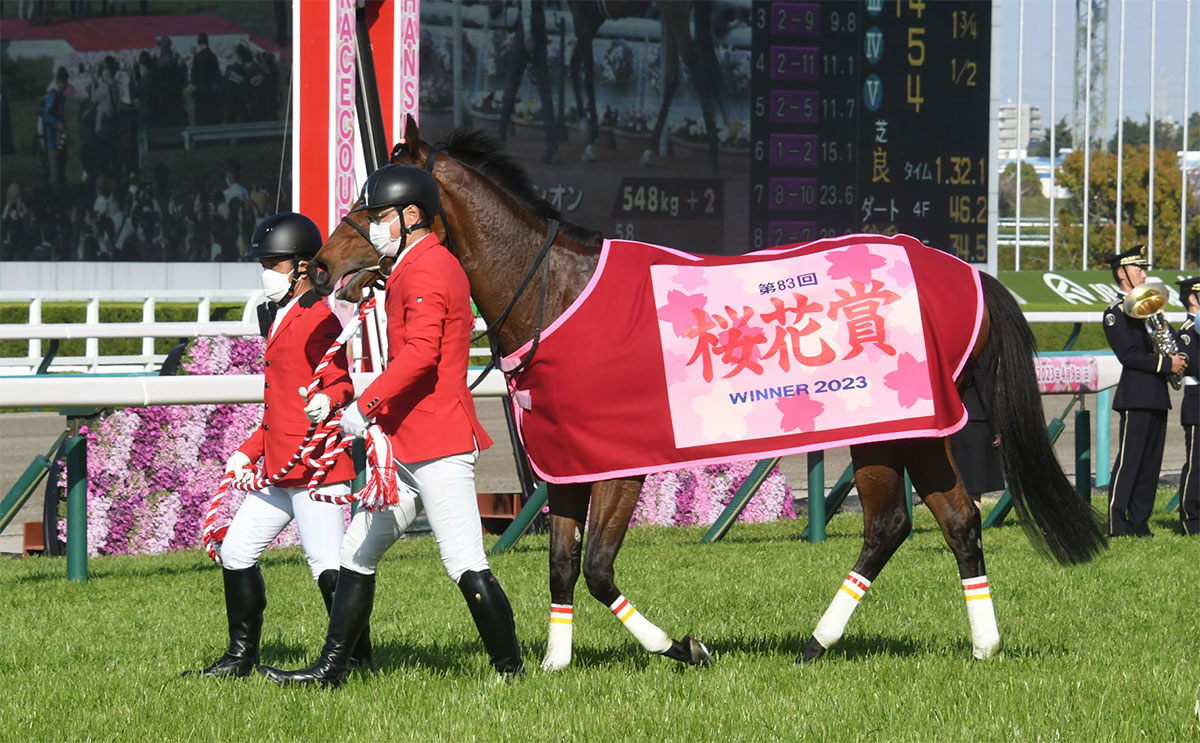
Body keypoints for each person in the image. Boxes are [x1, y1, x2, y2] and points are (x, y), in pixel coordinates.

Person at [258, 164, 525, 687]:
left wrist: (364, 405)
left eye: (380, 217)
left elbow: (422, 355)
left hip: (438, 441)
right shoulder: (411, 264)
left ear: (410, 216)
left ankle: (510, 671)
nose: (375, 226)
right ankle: (334, 668)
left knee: (465, 562)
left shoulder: (428, 268)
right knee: (356, 550)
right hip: (406, 445)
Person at [186, 212, 369, 678]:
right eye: (264, 262)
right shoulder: (276, 314)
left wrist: (327, 399)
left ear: (304, 266)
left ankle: (353, 661)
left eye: (275, 262)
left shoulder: (321, 318)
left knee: (328, 567)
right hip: (278, 464)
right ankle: (240, 656)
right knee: (236, 552)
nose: (266, 271)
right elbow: (278, 403)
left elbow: (340, 382)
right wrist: (249, 450)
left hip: (314, 468)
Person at [1101, 244, 1188, 537]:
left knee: (1151, 463)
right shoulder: (1116, 312)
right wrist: (1167, 363)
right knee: (1130, 460)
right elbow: (1129, 355)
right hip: (1136, 393)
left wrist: (1178, 357)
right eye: (1138, 268)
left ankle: (1140, 522)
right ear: (1122, 273)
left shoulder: (1152, 309)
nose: (1144, 273)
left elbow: (1169, 340)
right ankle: (1116, 522)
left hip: (1156, 394)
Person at [949, 346, 1004, 511]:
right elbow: (986, 389)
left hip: (952, 420)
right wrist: (997, 427)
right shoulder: (983, 352)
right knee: (973, 490)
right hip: (976, 421)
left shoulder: (953, 350)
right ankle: (974, 530)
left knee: (959, 487)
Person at [1176, 276, 1199, 535]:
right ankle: (1190, 520)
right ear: (1193, 298)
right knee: (1196, 465)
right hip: (1196, 403)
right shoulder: (1187, 332)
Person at [40, 67, 70, 193]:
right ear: (59, 81)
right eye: (64, 82)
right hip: (52, 140)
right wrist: (57, 124)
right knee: (54, 174)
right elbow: (45, 115)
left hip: (59, 138)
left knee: (62, 166)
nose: (65, 85)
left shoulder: (60, 97)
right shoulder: (53, 95)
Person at [190, 33, 222, 125]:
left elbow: (193, 77)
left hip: (200, 92)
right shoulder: (213, 57)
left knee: (201, 117)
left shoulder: (197, 57)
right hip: (211, 91)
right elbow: (217, 76)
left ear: (199, 43)